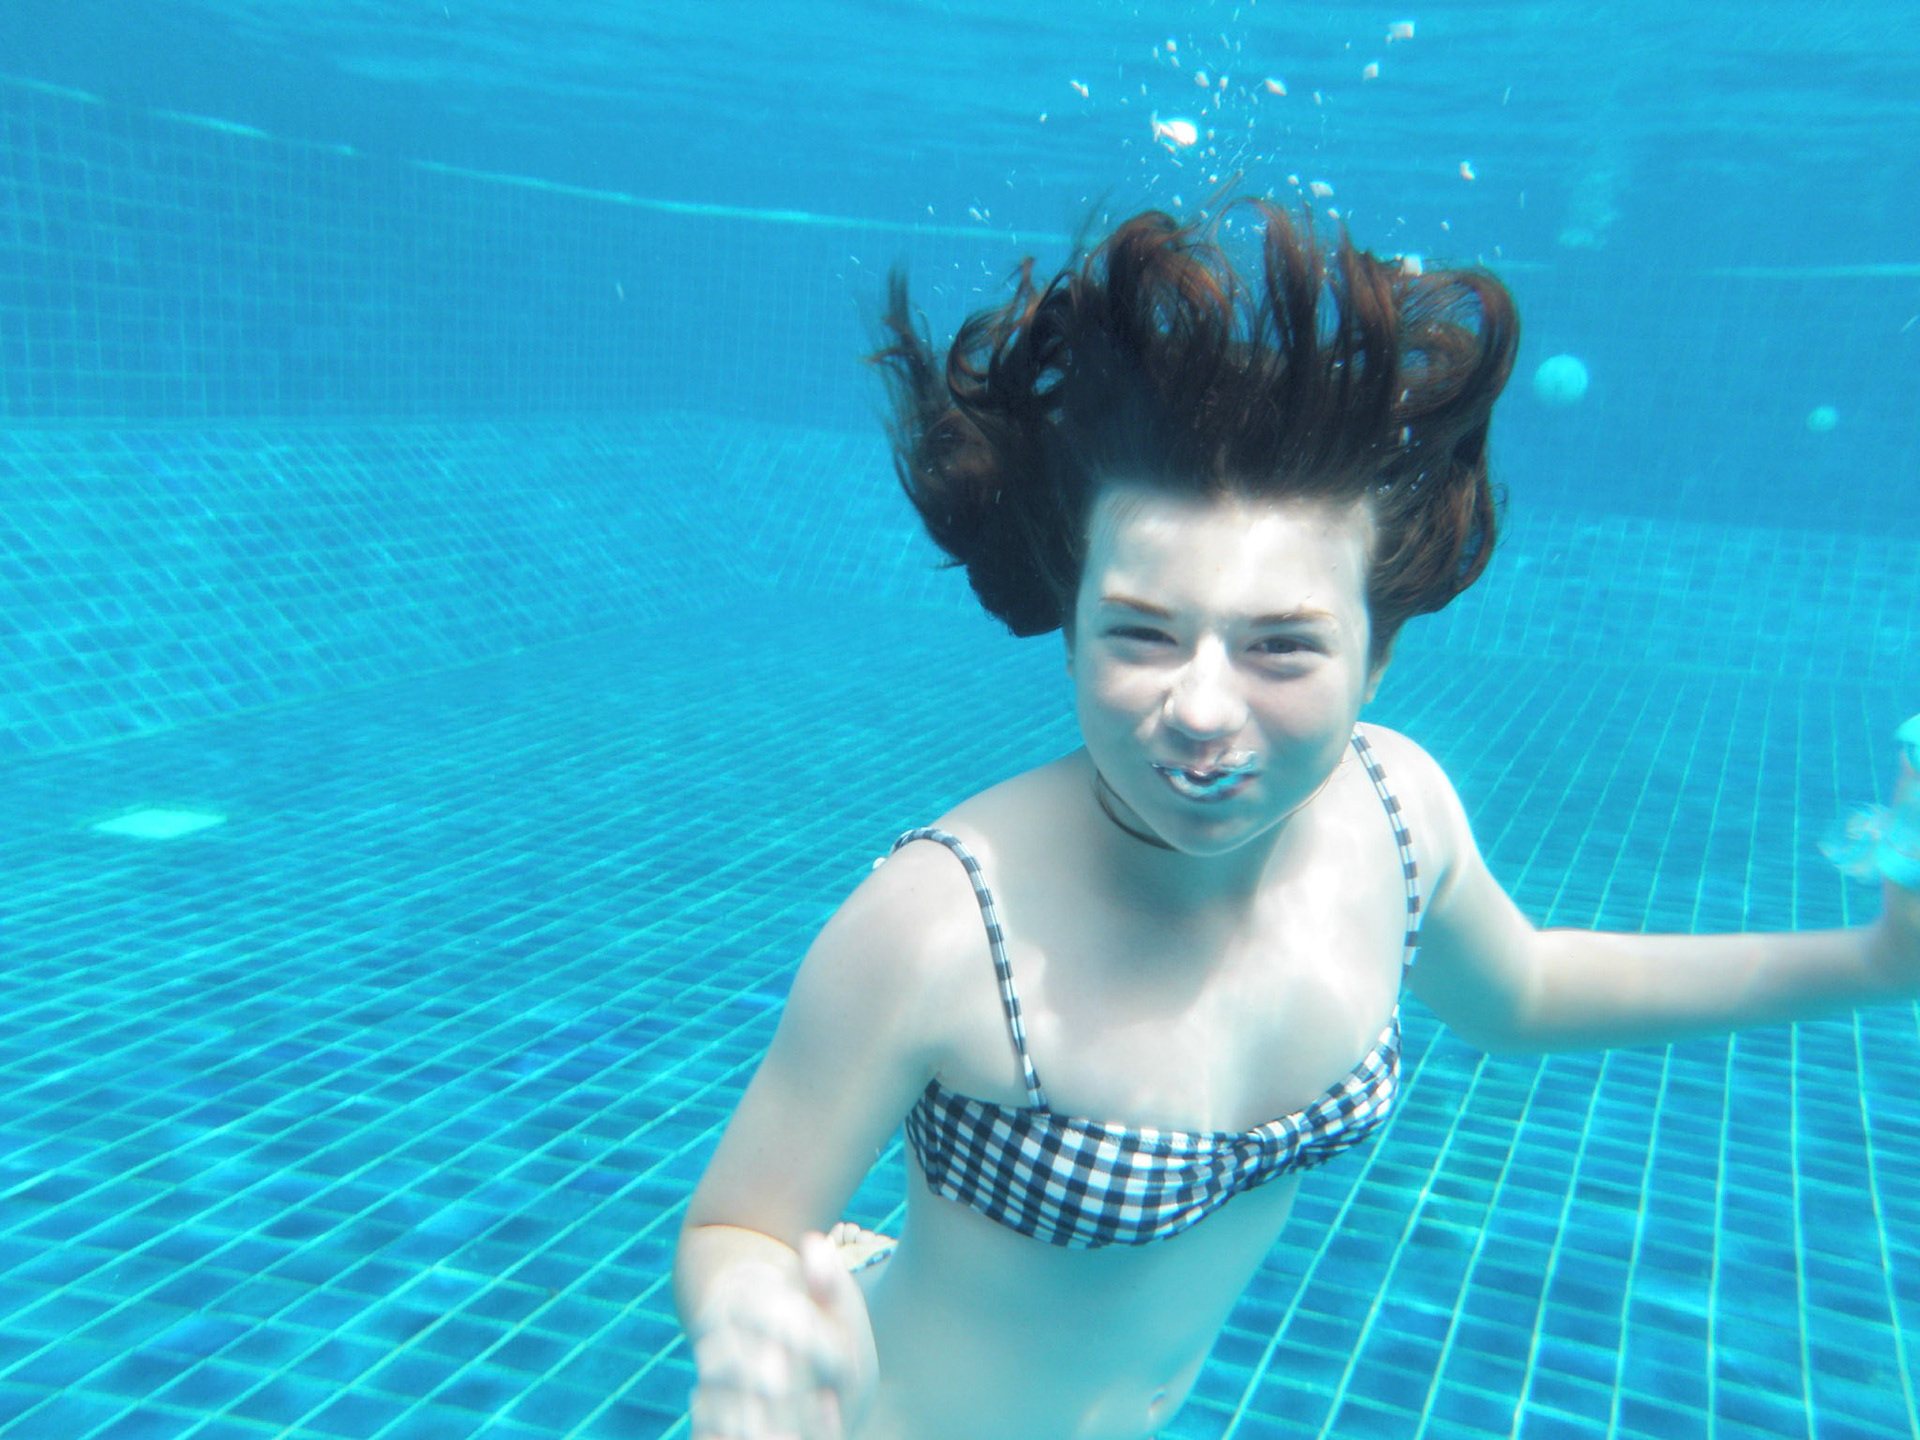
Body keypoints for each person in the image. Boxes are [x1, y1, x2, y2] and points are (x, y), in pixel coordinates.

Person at [671, 202, 1920, 1440]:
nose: (1200, 710)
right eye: (1141, 633)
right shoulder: (938, 925)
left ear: (1379, 658)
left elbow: (1527, 991)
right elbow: (735, 1226)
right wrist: (754, 1329)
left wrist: (1878, 961)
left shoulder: (1398, 814)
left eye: (1281, 646)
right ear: (1070, 632)